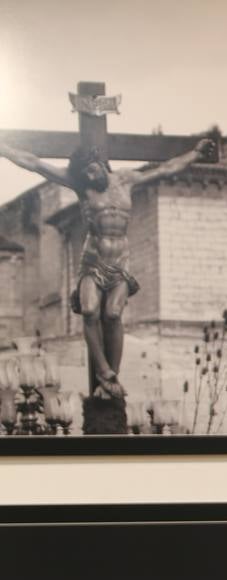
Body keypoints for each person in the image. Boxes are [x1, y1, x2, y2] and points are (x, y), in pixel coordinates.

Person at [0, 137, 212, 399]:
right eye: (85, 173)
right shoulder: (81, 185)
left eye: (93, 169)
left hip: (120, 260)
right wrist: (4, 148)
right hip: (93, 259)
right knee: (89, 310)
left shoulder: (125, 179)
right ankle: (103, 371)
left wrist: (195, 154)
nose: (90, 176)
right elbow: (34, 163)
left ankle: (113, 376)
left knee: (112, 315)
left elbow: (165, 169)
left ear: (101, 163)